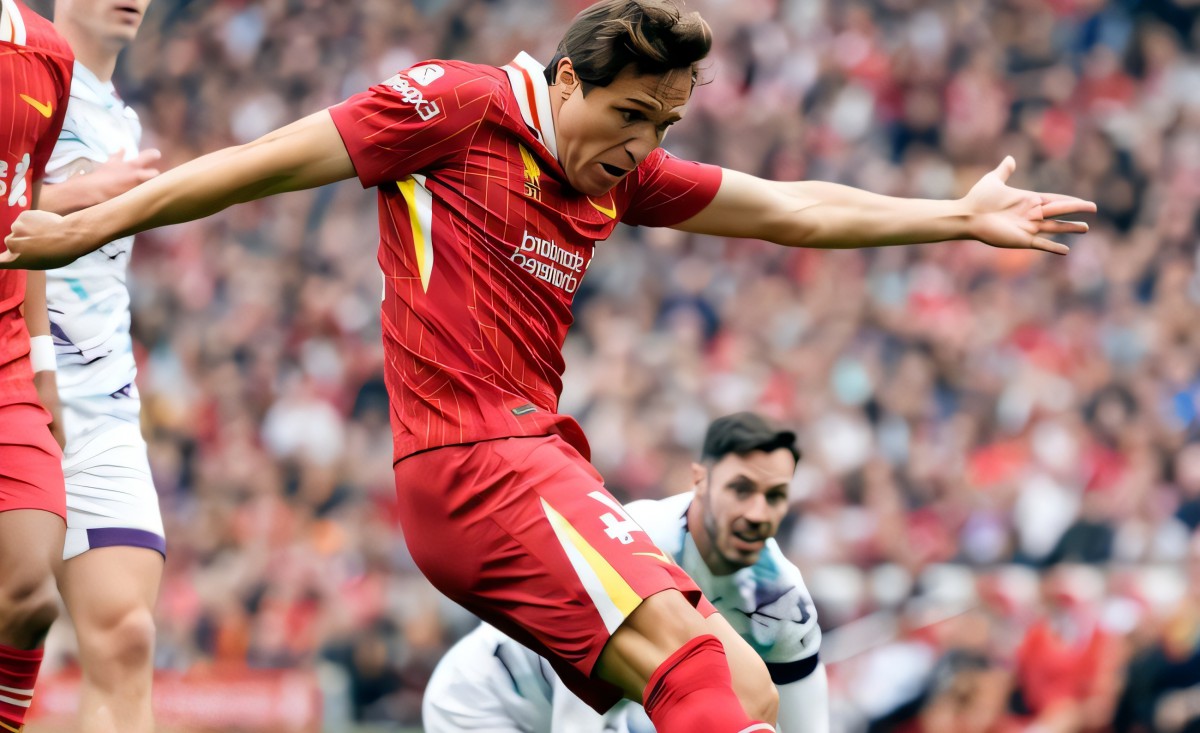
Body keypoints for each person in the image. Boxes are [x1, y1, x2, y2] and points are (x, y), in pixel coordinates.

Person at [0, 1, 1096, 728]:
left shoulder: (619, 171)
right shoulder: (459, 104)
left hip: (534, 460)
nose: (641, 144)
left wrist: (955, 215)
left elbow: (792, 209)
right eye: (629, 114)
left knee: (743, 688)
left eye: (664, 122)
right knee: (697, 672)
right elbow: (261, 164)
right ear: (567, 80)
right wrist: (90, 224)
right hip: (474, 461)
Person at [423, 412, 828, 733]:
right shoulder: (639, 535)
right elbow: (577, 716)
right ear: (701, 481)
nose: (757, 513)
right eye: (741, 489)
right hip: (483, 702)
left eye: (775, 496)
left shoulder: (783, 604)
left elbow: (808, 727)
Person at [36, 1, 161, 731]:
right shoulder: (17, 77)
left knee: (127, 635)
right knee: (17, 615)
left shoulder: (123, 122)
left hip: (105, 406)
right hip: (18, 388)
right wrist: (73, 198)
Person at [0, 1, 74, 730]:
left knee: (31, 592)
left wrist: (44, 366)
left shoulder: (48, 55)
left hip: (7, 365)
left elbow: (30, 213)